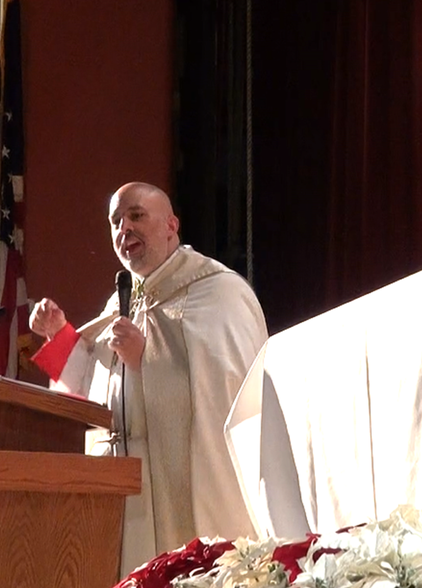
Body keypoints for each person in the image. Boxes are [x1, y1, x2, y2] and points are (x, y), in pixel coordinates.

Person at [28, 182, 268, 576]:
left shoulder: (218, 291)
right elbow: (96, 390)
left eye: (136, 215)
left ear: (172, 225)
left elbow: (229, 391)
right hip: (125, 491)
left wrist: (149, 360)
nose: (124, 229)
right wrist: (62, 336)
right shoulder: (122, 301)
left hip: (182, 493)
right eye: (115, 221)